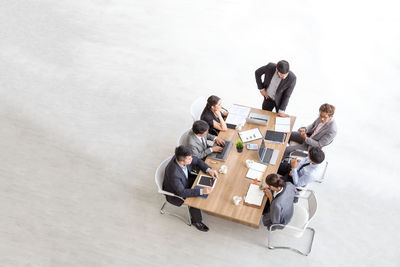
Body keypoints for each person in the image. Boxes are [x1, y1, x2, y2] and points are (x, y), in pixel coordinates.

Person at [162, 145, 219, 232]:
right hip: (176, 194)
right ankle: (197, 221)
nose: (192, 159)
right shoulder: (174, 174)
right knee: (194, 201)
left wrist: (209, 170)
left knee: (206, 182)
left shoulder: (181, 156)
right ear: (182, 162)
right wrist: (201, 191)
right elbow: (182, 192)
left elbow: (197, 160)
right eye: (189, 159)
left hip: (185, 181)